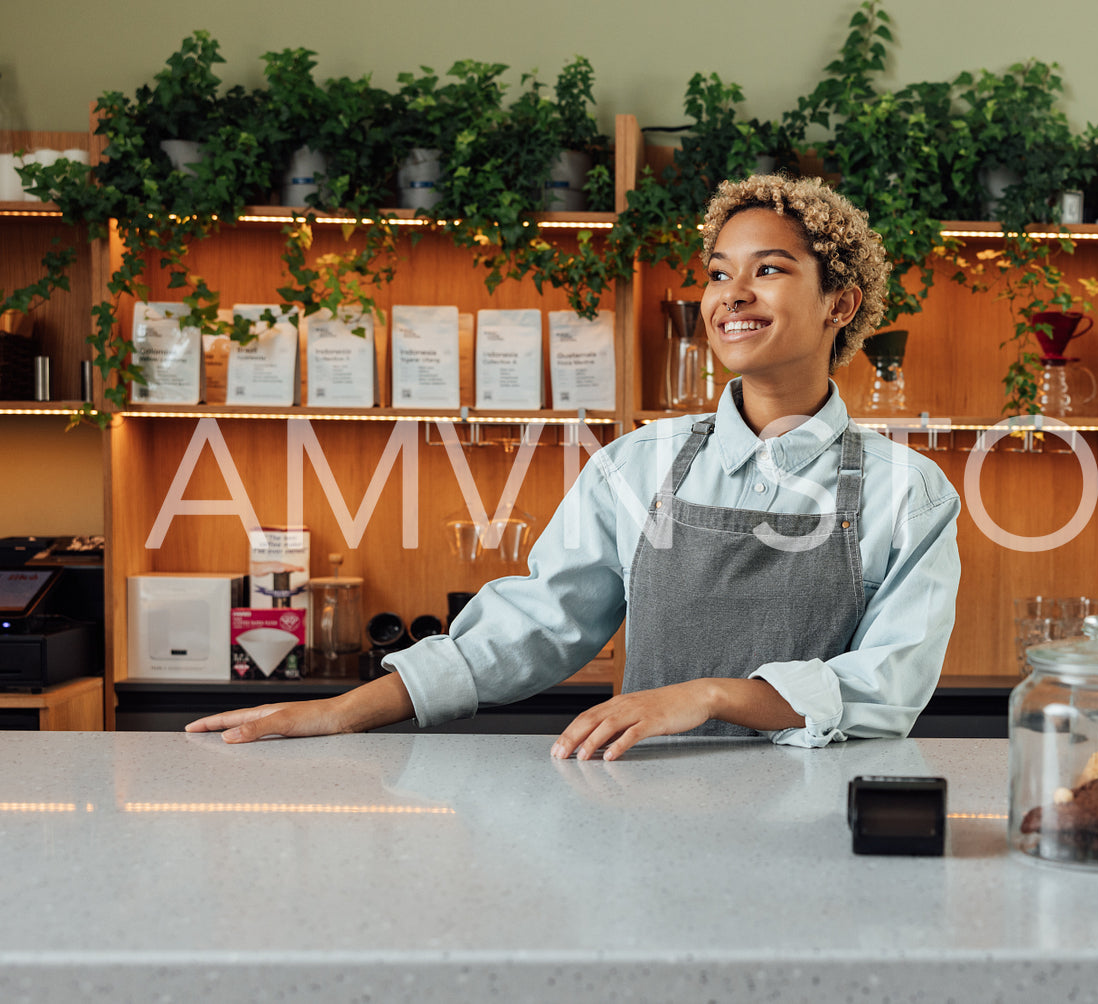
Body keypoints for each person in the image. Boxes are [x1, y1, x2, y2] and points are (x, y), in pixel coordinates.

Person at [187, 175, 963, 760]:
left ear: (839, 303)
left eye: (769, 270)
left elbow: (887, 688)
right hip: (647, 798)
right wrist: (339, 711)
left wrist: (706, 697)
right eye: (719, 273)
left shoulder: (909, 491)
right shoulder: (639, 464)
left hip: (819, 819)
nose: (731, 296)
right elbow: (538, 624)